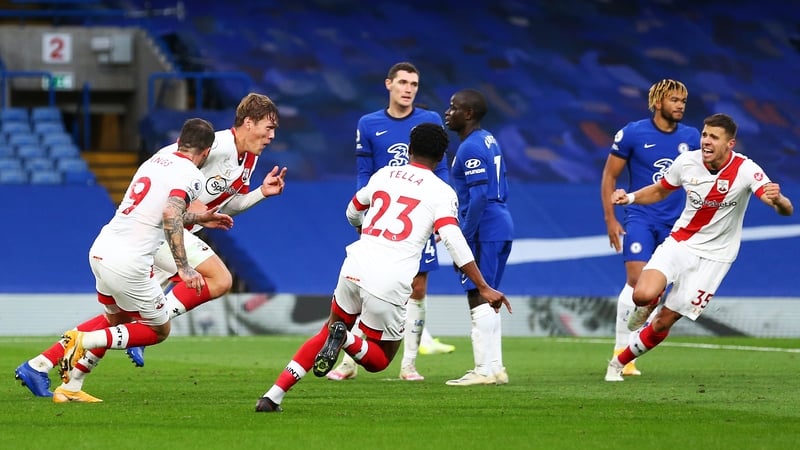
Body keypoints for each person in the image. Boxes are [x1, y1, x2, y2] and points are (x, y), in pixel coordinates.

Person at [15, 93, 288, 399]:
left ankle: (52, 371)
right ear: (248, 123)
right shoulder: (216, 145)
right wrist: (189, 222)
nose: (272, 136)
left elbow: (229, 205)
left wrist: (261, 193)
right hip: (164, 232)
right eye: (268, 128)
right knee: (220, 279)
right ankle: (148, 328)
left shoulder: (249, 158)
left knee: (116, 320)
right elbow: (175, 162)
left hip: (168, 233)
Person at [255, 123, 511, 412]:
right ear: (441, 158)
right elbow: (452, 238)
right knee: (379, 359)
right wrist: (483, 285)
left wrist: (365, 232)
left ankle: (272, 395)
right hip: (390, 279)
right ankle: (348, 338)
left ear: (410, 150)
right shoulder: (442, 192)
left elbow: (352, 211)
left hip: (355, 265)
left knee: (328, 329)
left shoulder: (384, 174)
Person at [27, 118, 233, 402]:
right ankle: (82, 340)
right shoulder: (192, 175)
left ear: (180, 140)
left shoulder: (153, 162)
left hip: (101, 249)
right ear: (207, 151)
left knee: (117, 321)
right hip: (129, 262)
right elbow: (171, 215)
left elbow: (156, 209)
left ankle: (71, 387)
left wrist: (200, 217)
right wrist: (183, 268)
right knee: (158, 330)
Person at [605, 113, 793, 382]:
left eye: (713, 137)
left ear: (730, 144)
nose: (705, 141)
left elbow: (782, 208)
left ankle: (619, 362)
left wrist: (780, 199)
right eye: (704, 134)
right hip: (681, 242)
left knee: (663, 322)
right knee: (642, 294)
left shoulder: (746, 169)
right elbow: (660, 190)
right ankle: (649, 303)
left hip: (715, 258)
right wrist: (631, 197)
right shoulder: (686, 162)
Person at [327, 61, 454, 383]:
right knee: (360, 283)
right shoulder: (369, 124)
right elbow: (363, 172)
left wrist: (443, 216)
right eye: (403, 82)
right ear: (389, 85)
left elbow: (441, 171)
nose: (409, 89)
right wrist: (364, 209)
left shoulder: (429, 120)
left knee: (418, 287)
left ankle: (408, 364)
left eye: (414, 84)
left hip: (418, 216)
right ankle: (348, 362)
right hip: (381, 217)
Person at [600, 79, 700, 377]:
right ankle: (623, 352)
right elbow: (609, 177)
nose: (680, 105)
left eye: (683, 100)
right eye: (674, 100)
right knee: (635, 280)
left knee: (655, 289)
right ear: (658, 103)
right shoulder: (633, 133)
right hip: (640, 216)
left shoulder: (693, 136)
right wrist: (610, 219)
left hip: (677, 221)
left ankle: (634, 339)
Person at [444, 89, 514, 386]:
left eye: (453, 107)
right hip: (500, 222)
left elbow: (480, 195)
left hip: (485, 226)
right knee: (490, 295)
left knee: (478, 293)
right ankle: (496, 368)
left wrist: (464, 234)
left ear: (468, 114)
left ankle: (482, 370)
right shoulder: (489, 139)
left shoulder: (471, 147)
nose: (448, 112)